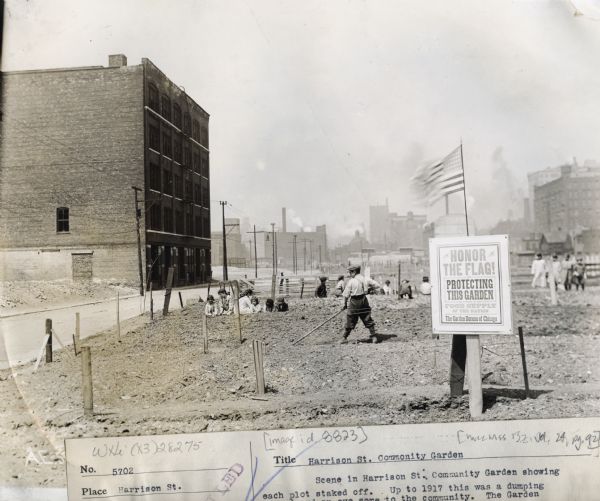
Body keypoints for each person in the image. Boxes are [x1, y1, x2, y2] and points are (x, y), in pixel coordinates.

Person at [341, 265, 380, 344]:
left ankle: (344, 338)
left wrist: (344, 304)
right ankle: (374, 336)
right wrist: (369, 290)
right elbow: (377, 285)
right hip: (363, 301)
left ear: (354, 272)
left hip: (354, 302)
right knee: (367, 317)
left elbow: (346, 295)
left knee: (350, 318)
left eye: (350, 272)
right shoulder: (365, 279)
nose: (349, 274)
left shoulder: (351, 281)